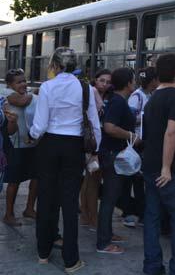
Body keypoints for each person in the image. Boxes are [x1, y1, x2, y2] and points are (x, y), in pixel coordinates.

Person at [29, 47, 101, 273]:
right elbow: (93, 123)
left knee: (46, 197)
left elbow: (39, 125)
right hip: (74, 146)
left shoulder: (47, 87)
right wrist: (93, 150)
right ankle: (71, 260)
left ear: (56, 65)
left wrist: (31, 135)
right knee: (70, 203)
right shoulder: (85, 88)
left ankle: (43, 252)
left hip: (49, 145)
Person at [142, 53, 175, 275]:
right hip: (171, 170)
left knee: (152, 218)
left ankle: (152, 267)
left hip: (149, 166)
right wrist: (167, 167)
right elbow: (171, 132)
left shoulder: (154, 96)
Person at [96, 67, 138, 255]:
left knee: (111, 198)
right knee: (109, 199)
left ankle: (108, 234)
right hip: (113, 155)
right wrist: (132, 135)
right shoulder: (119, 102)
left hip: (113, 154)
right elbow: (110, 127)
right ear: (128, 83)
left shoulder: (118, 101)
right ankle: (103, 243)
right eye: (133, 80)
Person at [120, 67, 158, 228]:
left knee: (139, 179)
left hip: (145, 141)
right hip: (136, 142)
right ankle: (128, 212)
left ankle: (141, 213)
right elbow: (129, 118)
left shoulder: (151, 95)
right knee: (132, 178)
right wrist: (145, 118)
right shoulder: (137, 96)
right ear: (152, 81)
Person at [2, 69, 37, 226]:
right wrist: (33, 93)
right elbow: (22, 102)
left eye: (24, 81)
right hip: (15, 144)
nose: (24, 84)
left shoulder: (25, 93)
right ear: (9, 84)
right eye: (19, 82)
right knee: (14, 180)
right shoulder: (5, 92)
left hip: (33, 143)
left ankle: (29, 209)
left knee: (36, 176)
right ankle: (9, 214)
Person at [79, 69, 111, 231]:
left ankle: (86, 214)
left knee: (88, 179)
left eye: (107, 82)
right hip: (92, 143)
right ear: (95, 80)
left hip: (91, 142)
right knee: (93, 180)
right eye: (102, 80)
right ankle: (92, 218)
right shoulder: (91, 92)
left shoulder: (97, 94)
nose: (104, 84)